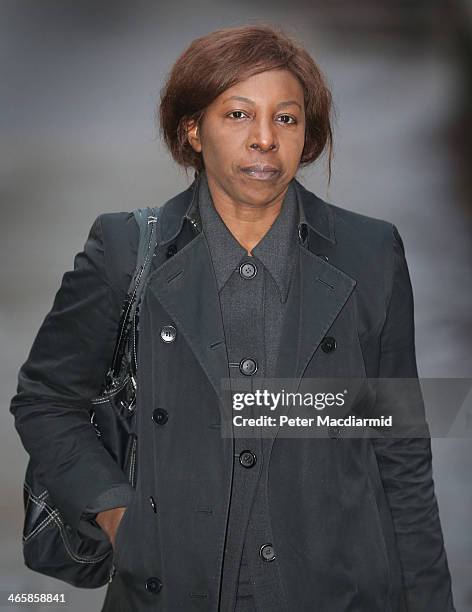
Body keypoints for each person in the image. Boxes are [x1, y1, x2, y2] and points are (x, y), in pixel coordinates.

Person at [10, 24, 455, 612]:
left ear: (309, 134)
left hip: (338, 590)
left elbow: (400, 448)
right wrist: (118, 514)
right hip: (172, 588)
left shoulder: (371, 253)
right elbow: (46, 399)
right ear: (192, 129)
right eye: (239, 116)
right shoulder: (123, 250)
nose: (265, 139)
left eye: (287, 119)